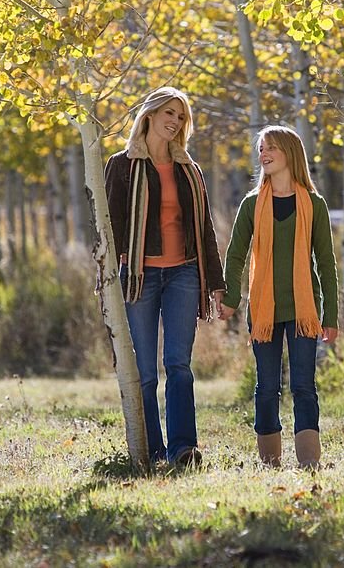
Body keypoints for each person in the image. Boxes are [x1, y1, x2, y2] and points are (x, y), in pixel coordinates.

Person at [104, 86, 225, 467]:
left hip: (184, 275)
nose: (175, 122)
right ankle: (150, 450)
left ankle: (183, 449)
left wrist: (217, 283)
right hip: (139, 276)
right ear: (150, 115)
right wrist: (109, 279)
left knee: (179, 365)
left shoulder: (189, 170)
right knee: (144, 372)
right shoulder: (121, 166)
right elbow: (110, 228)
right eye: (169, 113)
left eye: (181, 116)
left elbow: (204, 228)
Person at [220, 125, 339, 469]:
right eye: (261, 149)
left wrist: (330, 315)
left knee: (303, 386)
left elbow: (326, 262)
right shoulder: (252, 204)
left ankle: (309, 461)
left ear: (290, 152)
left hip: (303, 310)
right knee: (266, 387)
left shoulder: (314, 204)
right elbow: (236, 255)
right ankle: (270, 462)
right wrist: (230, 298)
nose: (263, 154)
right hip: (264, 311)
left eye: (270, 147)